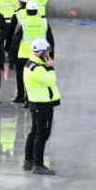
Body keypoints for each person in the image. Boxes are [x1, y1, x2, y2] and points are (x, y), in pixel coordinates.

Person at [21, 38, 60, 175]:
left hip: (38, 103)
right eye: (47, 52)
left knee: (35, 132)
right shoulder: (37, 68)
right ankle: (38, 164)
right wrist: (50, 67)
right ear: (41, 53)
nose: (49, 54)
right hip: (42, 104)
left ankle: (29, 160)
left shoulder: (33, 64)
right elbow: (51, 80)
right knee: (42, 134)